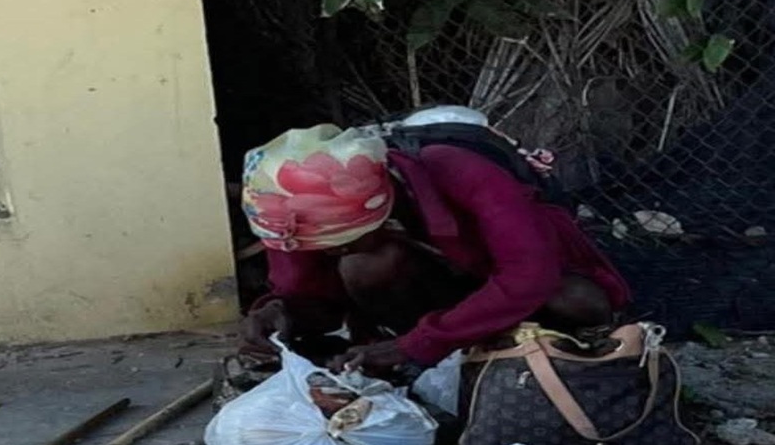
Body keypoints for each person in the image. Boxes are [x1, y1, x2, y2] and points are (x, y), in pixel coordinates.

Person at [237, 121, 631, 380]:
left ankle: (549, 362)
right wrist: (279, 312)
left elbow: (529, 275)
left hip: (513, 293)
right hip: (444, 298)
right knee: (367, 265)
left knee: (579, 301)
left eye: (338, 244)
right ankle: (421, 368)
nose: (329, 255)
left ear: (382, 214)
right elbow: (314, 299)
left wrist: (421, 343)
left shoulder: (465, 172)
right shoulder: (293, 206)